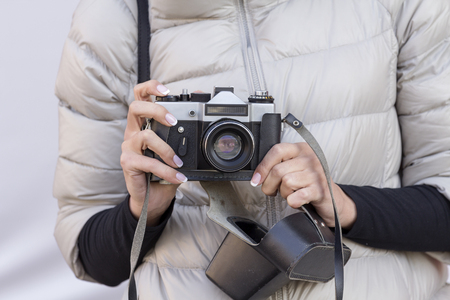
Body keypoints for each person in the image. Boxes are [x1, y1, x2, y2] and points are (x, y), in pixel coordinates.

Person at [53, 0, 450, 299]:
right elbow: (89, 255)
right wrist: (145, 210)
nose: (228, 146)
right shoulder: (113, 20)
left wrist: (344, 205)